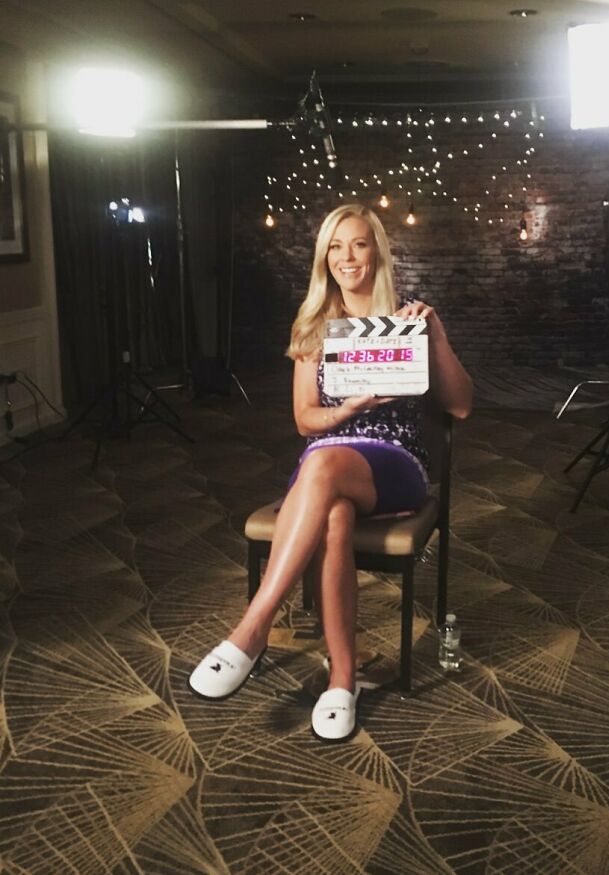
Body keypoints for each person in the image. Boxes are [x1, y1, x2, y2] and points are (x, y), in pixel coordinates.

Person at [189, 204, 473, 741]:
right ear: (325, 257)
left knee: (320, 466)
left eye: (359, 244)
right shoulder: (317, 325)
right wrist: (347, 409)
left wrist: (435, 338)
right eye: (336, 247)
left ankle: (252, 629)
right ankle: (342, 679)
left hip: (395, 463)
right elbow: (306, 420)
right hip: (330, 459)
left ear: (377, 251)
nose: (348, 257)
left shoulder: (410, 318)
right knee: (334, 516)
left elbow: (459, 407)